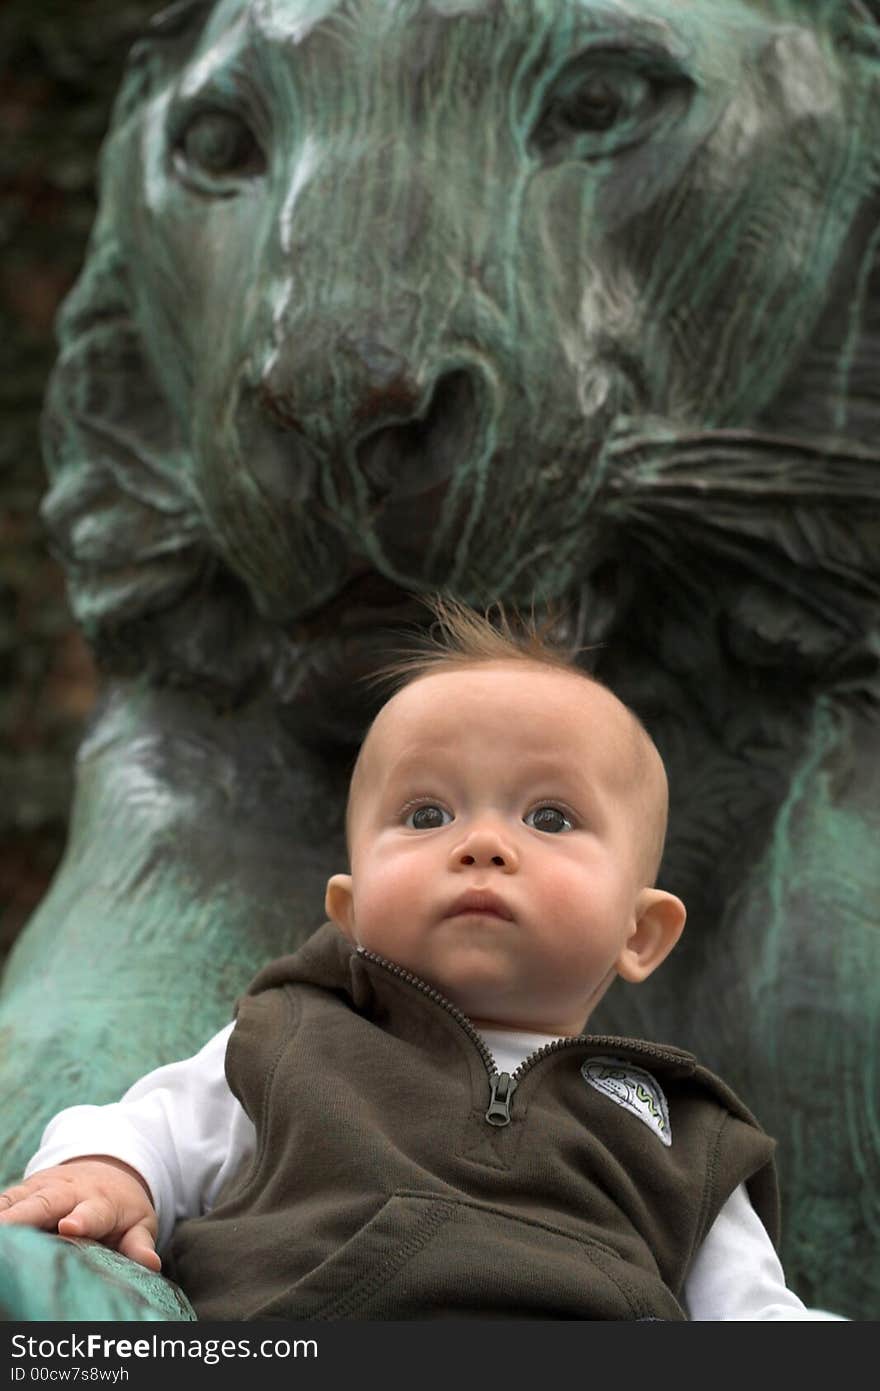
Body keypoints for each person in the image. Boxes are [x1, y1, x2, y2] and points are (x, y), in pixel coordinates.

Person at [0, 600, 846, 1320]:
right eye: (427, 811)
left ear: (641, 934)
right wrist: (107, 1175)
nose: (482, 842)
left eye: (549, 818)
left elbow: (758, 1318)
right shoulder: (291, 1039)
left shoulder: (685, 1135)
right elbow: (148, 1127)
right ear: (353, 909)